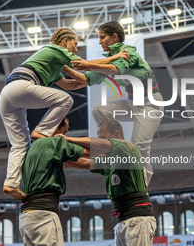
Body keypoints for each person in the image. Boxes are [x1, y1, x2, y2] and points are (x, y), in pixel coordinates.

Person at [0, 27, 129, 200]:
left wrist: (96, 79)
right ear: (65, 41)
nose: (75, 49)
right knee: (65, 100)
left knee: (20, 145)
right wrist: (115, 58)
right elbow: (82, 64)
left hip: (7, 96)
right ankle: (42, 132)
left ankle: (11, 183)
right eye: (74, 44)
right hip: (21, 86)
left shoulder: (52, 64)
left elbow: (71, 84)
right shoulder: (54, 49)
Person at [62, 21, 164, 186]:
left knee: (139, 146)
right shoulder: (107, 61)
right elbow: (83, 79)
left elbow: (116, 69)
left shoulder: (128, 52)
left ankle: (141, 186)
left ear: (114, 37)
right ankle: (115, 147)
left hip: (150, 104)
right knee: (99, 110)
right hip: (133, 104)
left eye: (103, 37)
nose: (100, 41)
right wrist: (63, 67)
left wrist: (87, 64)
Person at [60, 120, 156, 246]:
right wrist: (55, 157)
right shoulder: (109, 160)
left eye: (103, 138)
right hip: (123, 219)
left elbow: (100, 145)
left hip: (137, 218)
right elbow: (82, 163)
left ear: (116, 135)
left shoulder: (127, 148)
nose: (99, 141)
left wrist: (68, 139)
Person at [19, 117, 89, 246]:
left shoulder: (33, 148)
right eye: (64, 132)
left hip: (27, 217)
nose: (64, 136)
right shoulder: (54, 142)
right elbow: (89, 152)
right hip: (43, 215)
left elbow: (81, 163)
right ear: (56, 128)